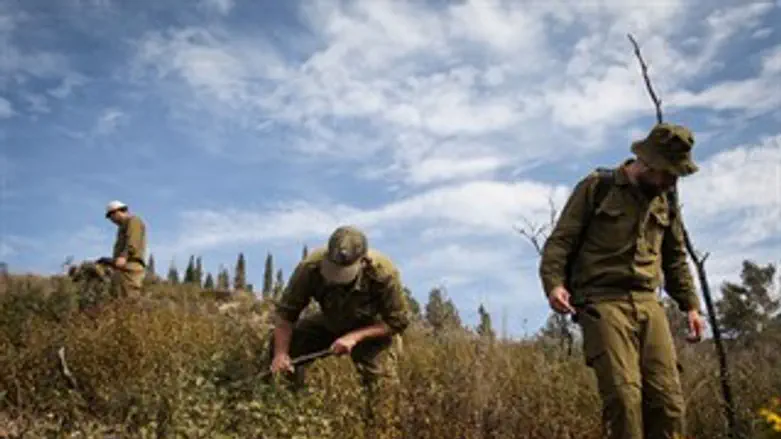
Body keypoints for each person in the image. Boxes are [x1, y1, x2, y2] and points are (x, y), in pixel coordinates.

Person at [539, 122, 707, 439]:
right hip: (602, 301)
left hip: (648, 303)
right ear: (648, 163)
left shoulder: (666, 200)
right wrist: (554, 284)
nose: (671, 181)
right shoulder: (596, 187)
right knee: (625, 399)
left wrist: (691, 306)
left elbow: (675, 258)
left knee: (669, 404)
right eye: (668, 172)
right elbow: (560, 242)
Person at [267, 225, 410, 421]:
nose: (337, 278)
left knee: (382, 389)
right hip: (331, 321)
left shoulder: (384, 273)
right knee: (282, 345)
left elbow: (397, 322)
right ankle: (286, 410)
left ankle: (378, 427)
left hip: (372, 327)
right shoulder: (310, 267)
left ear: (363, 261)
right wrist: (281, 354)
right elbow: (285, 315)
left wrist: (355, 337)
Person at [104, 200, 147, 300]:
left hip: (130, 266)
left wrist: (124, 256)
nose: (111, 220)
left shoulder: (133, 220)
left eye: (111, 217)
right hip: (123, 267)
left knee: (130, 298)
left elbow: (133, 241)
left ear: (117, 212)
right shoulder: (122, 227)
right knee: (119, 298)